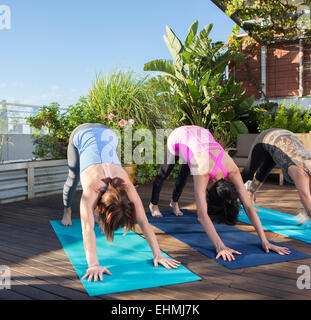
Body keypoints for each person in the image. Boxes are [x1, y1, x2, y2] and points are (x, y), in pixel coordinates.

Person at [150, 125, 290, 262]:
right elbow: (202, 215)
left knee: (184, 172)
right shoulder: (203, 170)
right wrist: (220, 246)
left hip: (199, 137)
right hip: (180, 136)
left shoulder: (233, 170)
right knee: (165, 172)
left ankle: (174, 202)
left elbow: (248, 206)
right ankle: (153, 204)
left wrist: (265, 241)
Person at [61, 123, 180, 282]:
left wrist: (158, 254)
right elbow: (87, 229)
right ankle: (66, 211)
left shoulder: (127, 186)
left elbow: (144, 222)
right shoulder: (91, 191)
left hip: (108, 133)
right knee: (72, 178)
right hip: (80, 133)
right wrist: (93, 264)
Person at [241, 128, 311, 225]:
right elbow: (306, 197)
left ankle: (248, 198)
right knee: (248, 173)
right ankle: (228, 201)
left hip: (284, 140)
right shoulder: (301, 172)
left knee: (264, 171)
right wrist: (307, 211)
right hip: (266, 137)